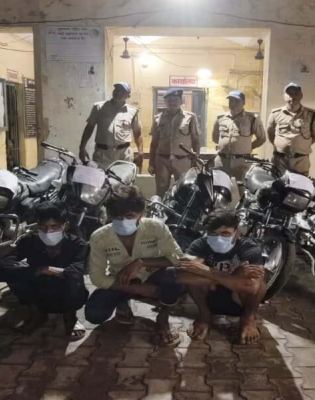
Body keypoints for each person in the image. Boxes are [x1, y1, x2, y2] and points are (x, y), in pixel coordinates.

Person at [85, 185, 185, 346]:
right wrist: (136, 288)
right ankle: (123, 302)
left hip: (152, 276)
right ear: (109, 215)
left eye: (129, 216)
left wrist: (141, 262)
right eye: (116, 217)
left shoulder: (155, 227)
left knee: (173, 274)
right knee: (94, 315)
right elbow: (97, 278)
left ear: (142, 213)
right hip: (121, 280)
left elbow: (177, 258)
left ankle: (163, 317)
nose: (123, 221)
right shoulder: (99, 237)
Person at [0, 202, 88, 338]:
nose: (48, 232)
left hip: (66, 291)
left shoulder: (78, 245)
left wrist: (52, 270)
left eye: (54, 226)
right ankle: (37, 314)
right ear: (38, 225)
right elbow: (0, 271)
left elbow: (76, 272)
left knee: (73, 280)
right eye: (44, 226)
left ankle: (70, 317)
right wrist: (39, 270)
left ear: (65, 226)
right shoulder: (29, 241)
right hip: (38, 287)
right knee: (15, 273)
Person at [178, 209, 267, 345]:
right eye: (213, 233)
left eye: (225, 233)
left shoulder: (249, 247)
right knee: (191, 276)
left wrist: (204, 270)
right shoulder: (200, 244)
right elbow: (181, 275)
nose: (218, 238)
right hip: (209, 294)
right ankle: (204, 315)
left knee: (260, 285)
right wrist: (235, 276)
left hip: (238, 297)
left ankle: (248, 319)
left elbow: (252, 287)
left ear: (237, 233)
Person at [148, 88, 200, 197]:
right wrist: (151, 163)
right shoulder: (158, 119)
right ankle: (161, 208)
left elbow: (195, 140)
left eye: (175, 99)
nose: (172, 102)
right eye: (169, 100)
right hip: (162, 160)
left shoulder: (190, 118)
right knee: (161, 191)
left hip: (183, 161)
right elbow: (154, 143)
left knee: (183, 191)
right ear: (165, 102)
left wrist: (196, 160)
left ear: (181, 101)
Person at [212, 90, 266, 195]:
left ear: (243, 102)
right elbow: (215, 138)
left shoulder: (252, 119)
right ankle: (221, 205)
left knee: (244, 191)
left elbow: (262, 138)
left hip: (242, 161)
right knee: (219, 191)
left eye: (237, 101)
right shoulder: (220, 118)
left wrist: (248, 148)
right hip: (222, 161)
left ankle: (242, 206)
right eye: (231, 101)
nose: (233, 103)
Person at [79, 82, 143, 169]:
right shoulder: (99, 107)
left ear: (128, 95)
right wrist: (82, 148)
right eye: (116, 89)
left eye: (122, 91)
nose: (118, 92)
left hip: (124, 155)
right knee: (100, 177)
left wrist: (140, 152)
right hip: (102, 154)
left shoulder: (133, 111)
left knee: (123, 177)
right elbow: (89, 128)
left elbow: (137, 133)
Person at [266, 82, 315, 176]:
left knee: (300, 184)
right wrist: (280, 146)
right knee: (278, 183)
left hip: (300, 161)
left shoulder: (312, 114)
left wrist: (301, 145)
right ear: (284, 96)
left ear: (301, 96)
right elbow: (270, 132)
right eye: (289, 94)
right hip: (280, 160)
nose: (292, 96)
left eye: (296, 93)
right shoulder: (275, 113)